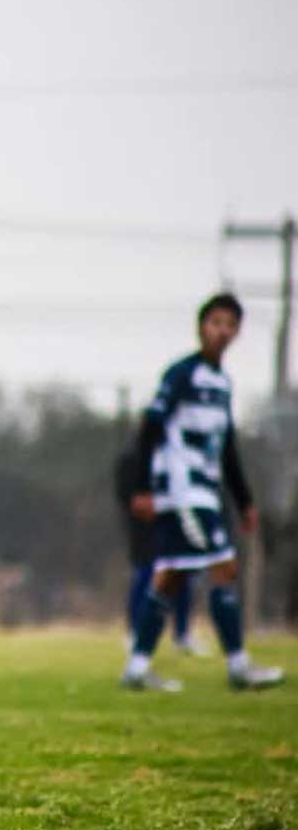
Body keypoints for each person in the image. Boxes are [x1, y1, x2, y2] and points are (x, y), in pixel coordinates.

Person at [122, 293, 282, 691]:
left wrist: (244, 500)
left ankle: (138, 668)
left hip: (206, 492)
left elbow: (226, 447)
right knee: (223, 568)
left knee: (170, 577)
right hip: (181, 491)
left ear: (237, 332)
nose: (222, 331)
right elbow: (150, 427)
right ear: (201, 327)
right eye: (216, 322)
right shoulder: (182, 374)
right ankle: (238, 665)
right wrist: (143, 488)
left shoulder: (223, 384)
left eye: (230, 324)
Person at [113, 447, 199, 653]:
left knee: (181, 576)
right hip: (143, 529)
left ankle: (182, 634)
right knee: (146, 576)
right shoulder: (132, 459)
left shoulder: (176, 456)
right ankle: (135, 632)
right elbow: (126, 496)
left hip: (173, 524)